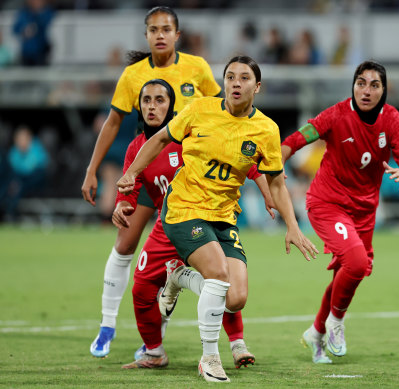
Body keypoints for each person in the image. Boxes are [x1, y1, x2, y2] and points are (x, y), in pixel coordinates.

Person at [117, 55, 318, 383]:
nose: (236, 84)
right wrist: (132, 172)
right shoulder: (199, 109)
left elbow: (277, 181)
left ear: (258, 86)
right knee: (218, 274)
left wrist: (292, 226)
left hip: (224, 217)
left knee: (236, 298)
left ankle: (178, 276)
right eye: (230, 77)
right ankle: (209, 358)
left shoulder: (265, 129)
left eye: (244, 78)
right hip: (183, 209)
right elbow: (160, 139)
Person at [87, 6, 222, 358]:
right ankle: (107, 324)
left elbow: (222, 109)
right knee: (124, 243)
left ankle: (158, 333)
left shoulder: (198, 68)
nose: (160, 34)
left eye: (166, 29)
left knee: (173, 255)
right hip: (149, 170)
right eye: (153, 29)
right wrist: (92, 169)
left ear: (178, 35)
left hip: (189, 177)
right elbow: (113, 122)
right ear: (145, 35)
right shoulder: (133, 75)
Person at [114, 79, 269, 369]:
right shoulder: (137, 147)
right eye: (146, 100)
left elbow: (240, 159)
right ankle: (154, 351)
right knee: (142, 287)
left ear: (172, 105)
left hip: (203, 217)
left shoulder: (188, 131)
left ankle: (236, 342)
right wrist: (122, 205)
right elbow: (130, 189)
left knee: (221, 276)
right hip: (166, 224)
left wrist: (266, 189)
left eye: (160, 100)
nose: (152, 106)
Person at [281, 60, 399, 364]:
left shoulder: (393, 120)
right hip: (327, 202)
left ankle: (316, 333)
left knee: (353, 270)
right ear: (353, 85)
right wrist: (273, 167)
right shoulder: (336, 114)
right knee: (356, 263)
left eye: (374, 85)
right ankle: (335, 322)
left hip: (364, 210)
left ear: (384, 90)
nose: (366, 90)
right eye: (361, 83)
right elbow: (294, 141)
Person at [0, 125, 48, 221]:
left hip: (34, 182)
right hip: (17, 182)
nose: (21, 142)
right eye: (19, 139)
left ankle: (11, 213)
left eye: (23, 139)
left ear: (29, 139)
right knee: (8, 184)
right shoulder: (13, 153)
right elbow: (13, 171)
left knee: (17, 185)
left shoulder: (37, 151)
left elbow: (30, 170)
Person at [12, 0, 54, 66]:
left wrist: (39, 12)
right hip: (26, 52)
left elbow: (46, 25)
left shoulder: (47, 12)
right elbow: (15, 29)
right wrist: (24, 31)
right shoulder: (23, 12)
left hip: (41, 51)